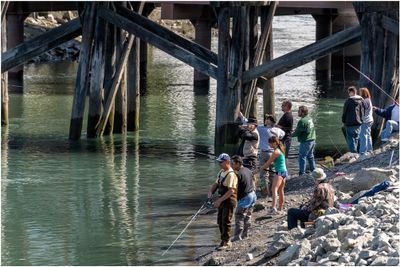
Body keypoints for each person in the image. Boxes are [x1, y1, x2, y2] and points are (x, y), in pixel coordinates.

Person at [208, 153, 238, 250]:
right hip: (222, 200)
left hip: (229, 201)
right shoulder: (221, 172)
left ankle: (227, 242)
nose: (219, 164)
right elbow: (216, 183)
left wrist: (219, 201)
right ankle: (223, 240)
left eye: (221, 162)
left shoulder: (231, 174)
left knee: (226, 221)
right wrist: (211, 191)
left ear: (227, 162)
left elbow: (231, 191)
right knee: (220, 221)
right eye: (219, 162)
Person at [231, 155, 257, 241]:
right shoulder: (248, 170)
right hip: (253, 195)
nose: (231, 165)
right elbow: (253, 179)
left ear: (238, 163)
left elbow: (234, 188)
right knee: (248, 216)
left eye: (233, 163)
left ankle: (237, 236)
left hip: (245, 197)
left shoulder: (237, 174)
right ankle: (245, 234)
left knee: (239, 216)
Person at [261, 136, 287, 214]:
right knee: (280, 190)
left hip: (279, 172)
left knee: (274, 190)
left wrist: (259, 169)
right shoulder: (280, 149)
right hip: (284, 172)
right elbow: (278, 161)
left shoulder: (276, 152)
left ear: (274, 143)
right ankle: (280, 207)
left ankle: (273, 208)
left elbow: (267, 163)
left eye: (270, 143)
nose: (269, 145)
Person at [292, 105, 316, 176]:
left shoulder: (302, 121)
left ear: (302, 112)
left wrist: (291, 135)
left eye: (299, 111)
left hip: (306, 141)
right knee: (310, 156)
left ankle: (302, 174)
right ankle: (313, 171)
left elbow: (298, 132)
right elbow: (306, 129)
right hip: (312, 139)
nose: (297, 113)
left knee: (302, 157)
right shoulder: (309, 118)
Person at [342, 86, 365, 153]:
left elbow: (345, 112)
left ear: (352, 92)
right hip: (359, 123)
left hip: (350, 123)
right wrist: (362, 120)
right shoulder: (361, 100)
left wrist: (343, 121)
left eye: (349, 92)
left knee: (351, 140)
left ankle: (353, 154)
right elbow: (363, 111)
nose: (348, 94)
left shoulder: (348, 101)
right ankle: (356, 153)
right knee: (356, 138)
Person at [277, 100, 294, 164]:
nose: (281, 106)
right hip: (285, 138)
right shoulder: (287, 115)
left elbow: (290, 128)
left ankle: (285, 171)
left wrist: (280, 127)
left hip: (286, 139)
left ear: (287, 107)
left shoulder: (287, 115)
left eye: (283, 105)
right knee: (283, 156)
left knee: (284, 156)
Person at [359, 87, 374, 154]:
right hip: (370, 120)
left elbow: (362, 110)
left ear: (363, 93)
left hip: (365, 121)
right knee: (368, 135)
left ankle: (362, 152)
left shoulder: (364, 101)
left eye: (360, 92)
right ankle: (370, 150)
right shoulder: (369, 100)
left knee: (363, 136)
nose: (359, 93)